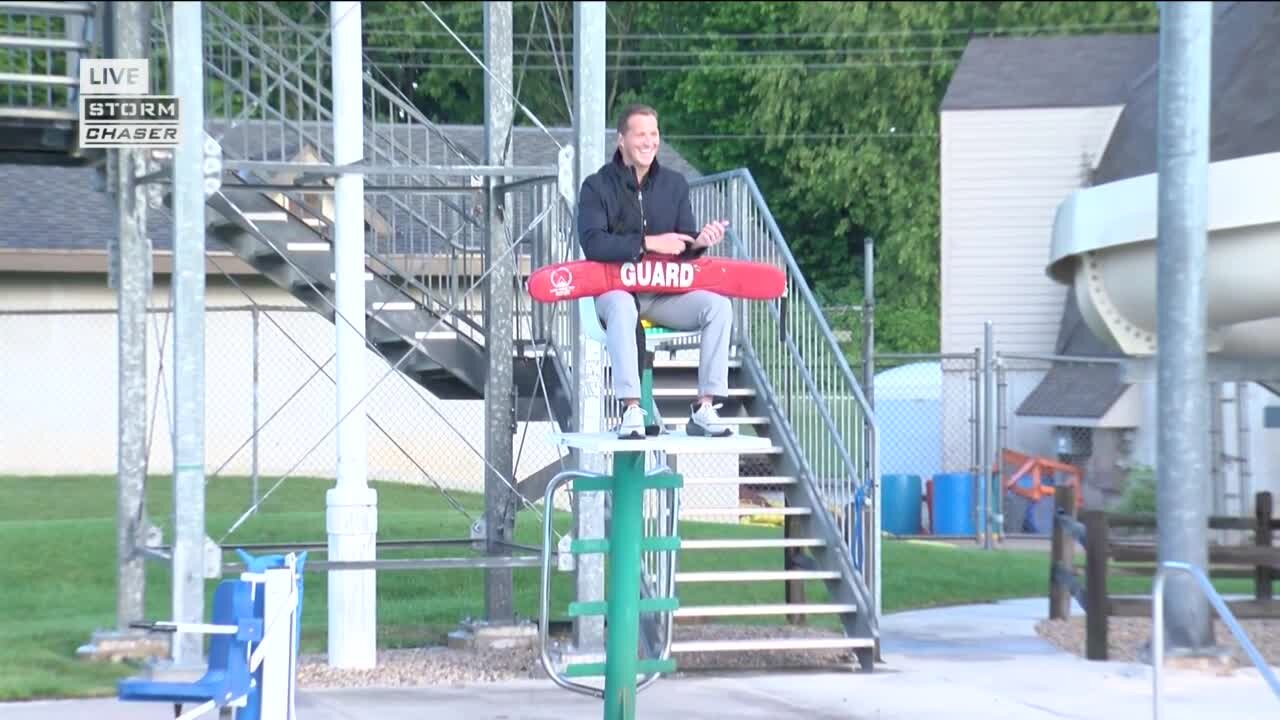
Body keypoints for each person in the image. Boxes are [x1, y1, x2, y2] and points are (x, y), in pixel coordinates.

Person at [577, 103, 734, 439]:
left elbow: (682, 245)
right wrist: (647, 243)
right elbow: (593, 244)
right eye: (640, 134)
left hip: (664, 293)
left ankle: (704, 408)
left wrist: (700, 242)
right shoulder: (596, 187)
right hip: (614, 291)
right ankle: (631, 408)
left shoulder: (675, 185)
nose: (648, 142)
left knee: (718, 306)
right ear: (622, 140)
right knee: (621, 304)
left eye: (654, 134)